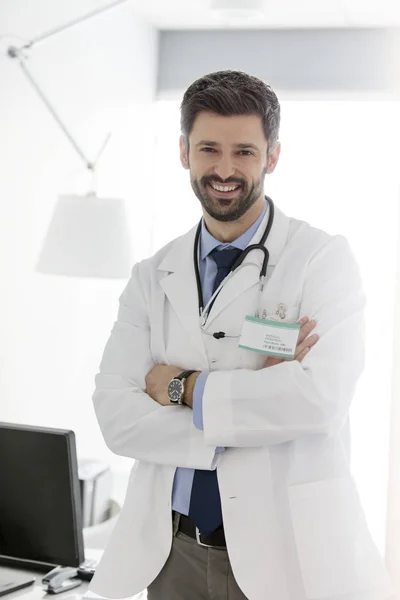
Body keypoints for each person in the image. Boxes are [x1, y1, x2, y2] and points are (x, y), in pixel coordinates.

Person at [89, 71, 391, 600]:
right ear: (184, 152)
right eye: (209, 148)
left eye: (245, 152)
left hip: (286, 553)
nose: (224, 170)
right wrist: (256, 406)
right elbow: (117, 419)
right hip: (171, 551)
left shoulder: (322, 259)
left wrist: (180, 389)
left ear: (272, 156)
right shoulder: (150, 274)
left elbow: (319, 400)